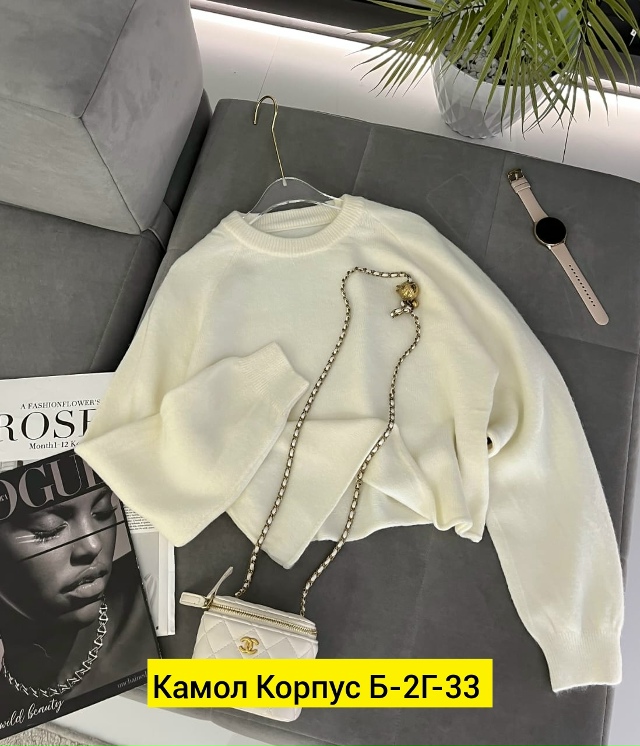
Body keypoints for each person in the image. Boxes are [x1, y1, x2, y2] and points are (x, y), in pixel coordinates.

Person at [0, 483, 158, 716]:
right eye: (49, 529)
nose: (93, 544)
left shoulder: (160, 588)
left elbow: (216, 692)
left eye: (103, 512)